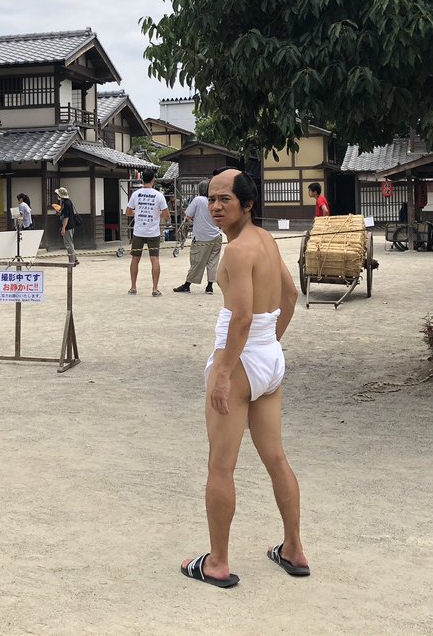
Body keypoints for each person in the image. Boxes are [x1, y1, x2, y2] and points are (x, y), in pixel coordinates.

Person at [180, 167, 308, 589]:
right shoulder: (266, 240)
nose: (216, 206)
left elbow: (241, 317)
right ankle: (293, 548)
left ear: (247, 204)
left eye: (226, 200)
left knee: (221, 465)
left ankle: (217, 562)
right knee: (276, 458)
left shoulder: (236, 251)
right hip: (268, 357)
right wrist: (271, 343)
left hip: (239, 360)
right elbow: (290, 295)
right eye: (212, 198)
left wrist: (223, 373)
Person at [173, 179, 221, 295]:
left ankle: (187, 285)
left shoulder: (198, 200)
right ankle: (209, 286)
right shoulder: (215, 201)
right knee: (213, 262)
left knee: (197, 261)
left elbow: (188, 215)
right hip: (216, 235)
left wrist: (196, 219)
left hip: (202, 237)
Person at [125, 168, 169, 296]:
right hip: (153, 232)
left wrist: (137, 213)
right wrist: (157, 213)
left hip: (138, 231)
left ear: (142, 179)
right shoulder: (159, 195)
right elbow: (166, 215)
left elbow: (128, 212)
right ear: (153, 180)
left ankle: (133, 287)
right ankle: (155, 288)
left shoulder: (136, 194)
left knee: (135, 258)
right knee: (154, 259)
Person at [54, 187, 79, 266]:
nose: (57, 196)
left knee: (68, 244)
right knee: (70, 242)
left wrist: (63, 228)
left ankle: (72, 261)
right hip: (71, 225)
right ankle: (75, 259)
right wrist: (59, 212)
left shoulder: (66, 203)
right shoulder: (68, 202)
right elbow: (65, 214)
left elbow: (66, 217)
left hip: (68, 226)